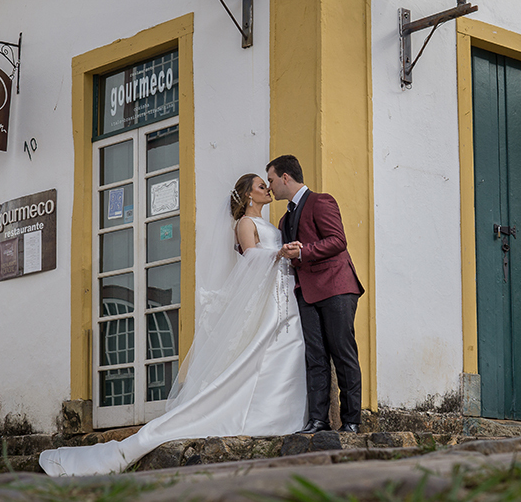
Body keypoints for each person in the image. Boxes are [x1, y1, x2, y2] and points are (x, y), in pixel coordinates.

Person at [38, 173, 306, 476]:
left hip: (279, 291)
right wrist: (278, 253)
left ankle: (279, 412)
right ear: (248, 195)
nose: (267, 189)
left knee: (280, 349)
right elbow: (251, 256)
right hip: (268, 292)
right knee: (258, 352)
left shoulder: (270, 223)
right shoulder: (245, 223)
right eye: (261, 186)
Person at [266, 154, 365, 434]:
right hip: (306, 293)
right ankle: (319, 420)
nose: (270, 186)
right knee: (315, 357)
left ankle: (352, 421)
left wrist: (302, 252)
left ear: (285, 177)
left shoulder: (321, 201)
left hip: (336, 287)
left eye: (271, 180)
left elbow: (338, 241)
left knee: (343, 354)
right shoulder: (285, 220)